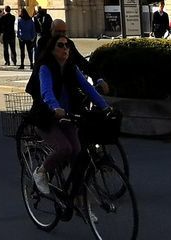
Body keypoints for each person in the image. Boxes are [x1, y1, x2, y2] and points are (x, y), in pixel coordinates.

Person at [29, 36, 110, 199]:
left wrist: (106, 107)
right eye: (60, 45)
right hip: (47, 117)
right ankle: (41, 172)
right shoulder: (45, 68)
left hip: (68, 117)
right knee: (64, 148)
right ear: (52, 49)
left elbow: (88, 88)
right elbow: (46, 91)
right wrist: (55, 107)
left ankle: (78, 198)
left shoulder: (71, 68)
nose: (65, 48)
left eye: (67, 45)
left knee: (77, 152)